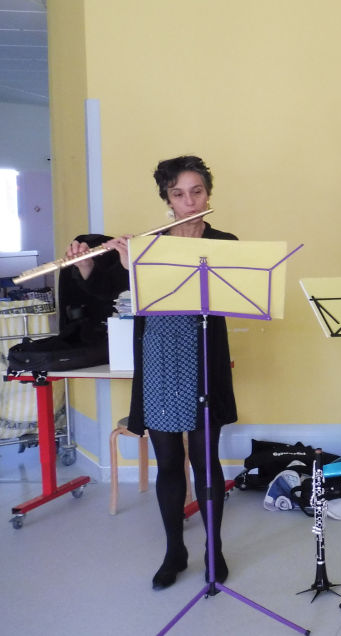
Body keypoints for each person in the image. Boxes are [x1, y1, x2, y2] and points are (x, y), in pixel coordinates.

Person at [66, 155, 237, 590]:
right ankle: (174, 550)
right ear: (167, 199)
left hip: (201, 358)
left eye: (197, 191)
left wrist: (138, 268)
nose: (189, 201)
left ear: (208, 194)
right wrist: (88, 266)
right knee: (168, 463)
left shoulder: (226, 243)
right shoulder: (146, 243)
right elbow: (107, 291)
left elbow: (227, 299)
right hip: (159, 358)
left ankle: (213, 549)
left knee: (204, 459)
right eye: (179, 194)